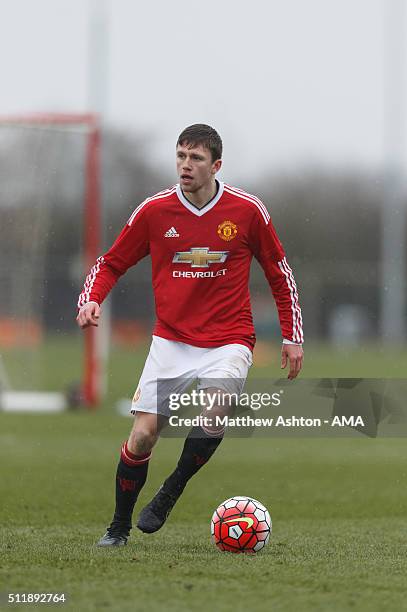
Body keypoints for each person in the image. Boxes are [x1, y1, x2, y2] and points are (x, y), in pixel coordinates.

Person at [76, 124, 304, 547]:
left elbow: (279, 272)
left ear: (216, 165)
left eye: (196, 158)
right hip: (172, 340)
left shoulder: (247, 210)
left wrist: (292, 335)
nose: (185, 165)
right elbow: (110, 263)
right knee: (143, 436)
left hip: (230, 338)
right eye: (181, 155)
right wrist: (91, 300)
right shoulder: (155, 211)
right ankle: (118, 528)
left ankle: (171, 489)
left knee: (215, 411)